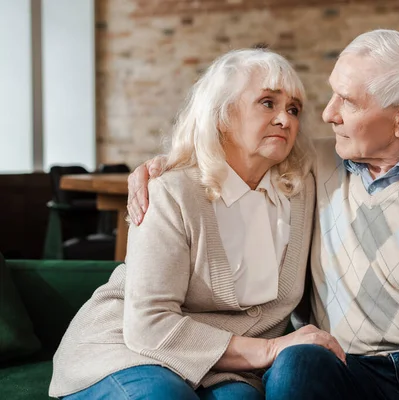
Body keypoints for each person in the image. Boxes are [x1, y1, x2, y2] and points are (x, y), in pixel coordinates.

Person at [128, 30, 399, 400]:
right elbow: (231, 148)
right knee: (296, 365)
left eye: (348, 102)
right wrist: (166, 166)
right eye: (331, 94)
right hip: (347, 366)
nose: (326, 113)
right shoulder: (313, 165)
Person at [49, 48, 348, 400]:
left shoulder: (303, 187)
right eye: (268, 103)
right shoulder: (171, 192)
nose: (285, 119)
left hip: (225, 369)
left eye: (293, 109)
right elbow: (148, 325)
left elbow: (367, 140)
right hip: (127, 350)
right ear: (222, 115)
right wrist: (270, 350)